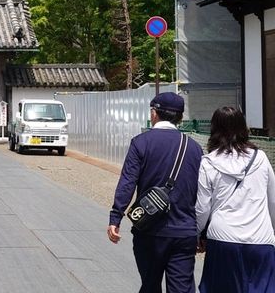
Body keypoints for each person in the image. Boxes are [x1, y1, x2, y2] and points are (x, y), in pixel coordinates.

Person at [107, 92, 203, 293]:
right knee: (182, 289)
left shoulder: (141, 142)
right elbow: (202, 192)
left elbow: (127, 182)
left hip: (149, 231)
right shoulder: (194, 148)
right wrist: (202, 231)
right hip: (184, 231)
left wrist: (115, 217)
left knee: (150, 286)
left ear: (154, 113)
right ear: (180, 117)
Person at [195, 106, 275, 293]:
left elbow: (202, 207)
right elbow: (272, 199)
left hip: (222, 238)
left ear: (214, 128)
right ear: (243, 127)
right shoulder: (260, 158)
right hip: (260, 238)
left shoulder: (208, 162)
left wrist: (197, 234)